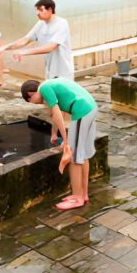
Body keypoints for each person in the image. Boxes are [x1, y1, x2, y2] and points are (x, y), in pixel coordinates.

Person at [21, 78, 98, 211]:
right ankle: (83, 194)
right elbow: (56, 113)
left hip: (82, 111)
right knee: (83, 155)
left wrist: (66, 139)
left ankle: (77, 198)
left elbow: (57, 113)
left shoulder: (44, 89)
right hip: (89, 107)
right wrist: (54, 133)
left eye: (32, 102)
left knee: (74, 157)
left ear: (30, 94)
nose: (36, 104)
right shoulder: (49, 85)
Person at [0, 0, 74, 80]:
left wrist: (24, 52)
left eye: (41, 10)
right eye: (37, 10)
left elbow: (51, 47)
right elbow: (25, 40)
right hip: (49, 72)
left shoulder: (62, 23)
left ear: (50, 9)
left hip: (63, 73)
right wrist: (2, 48)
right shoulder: (40, 24)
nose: (37, 13)